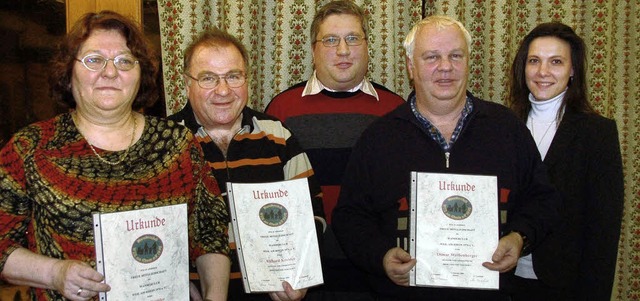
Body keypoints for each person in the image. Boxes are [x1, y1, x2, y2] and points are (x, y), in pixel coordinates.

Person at [0, 11, 230, 301]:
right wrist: (55, 273)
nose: (110, 72)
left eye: (124, 61)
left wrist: (214, 297)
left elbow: (210, 232)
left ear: (141, 75)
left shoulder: (178, 144)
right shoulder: (30, 148)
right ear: (68, 73)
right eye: (94, 60)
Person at [331, 15, 560, 301]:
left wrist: (519, 237)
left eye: (455, 55)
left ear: (467, 62)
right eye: (431, 57)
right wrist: (382, 256)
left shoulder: (506, 129)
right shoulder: (379, 138)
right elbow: (349, 217)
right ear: (410, 67)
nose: (445, 67)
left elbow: (543, 200)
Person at [168, 28, 325, 301]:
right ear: (186, 83)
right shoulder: (164, 142)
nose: (223, 90)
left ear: (247, 79)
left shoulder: (278, 135)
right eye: (208, 78)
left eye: (233, 76)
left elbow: (313, 212)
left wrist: (300, 274)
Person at [265, 1, 404, 298]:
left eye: (353, 38)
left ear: (367, 47)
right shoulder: (280, 110)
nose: (343, 50)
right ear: (313, 50)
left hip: (378, 271)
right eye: (330, 40)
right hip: (305, 275)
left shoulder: (396, 110)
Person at [506, 22, 624, 301]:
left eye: (556, 62)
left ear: (573, 70)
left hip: (564, 286)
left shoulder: (597, 133)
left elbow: (603, 232)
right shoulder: (503, 127)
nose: (543, 72)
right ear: (523, 68)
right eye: (534, 61)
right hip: (505, 281)